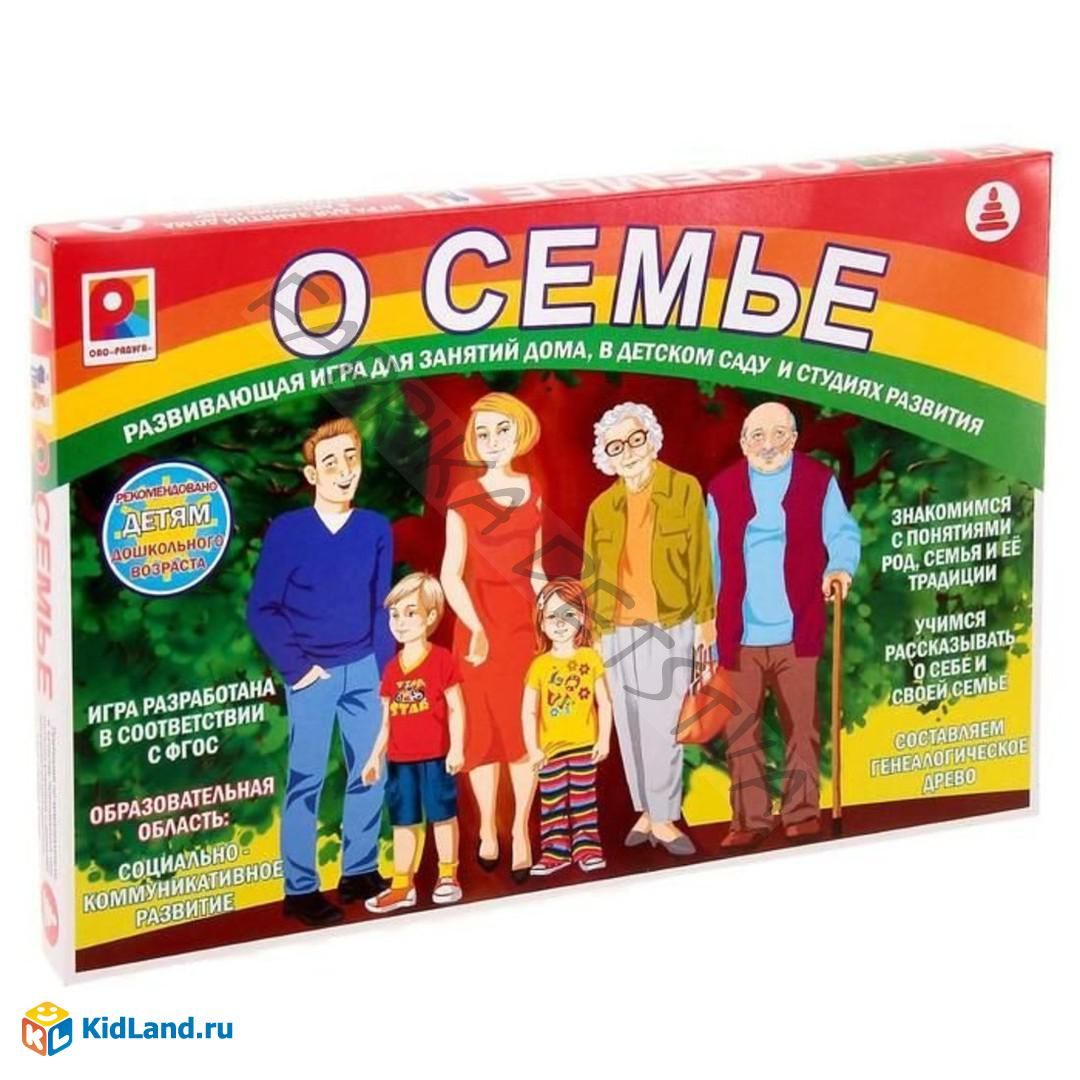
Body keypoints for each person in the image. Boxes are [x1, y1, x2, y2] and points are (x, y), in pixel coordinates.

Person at [247, 417, 393, 927]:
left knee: (370, 771)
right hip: (312, 675)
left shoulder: (375, 528)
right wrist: (299, 669)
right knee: (305, 780)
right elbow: (262, 608)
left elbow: (381, 604)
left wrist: (385, 673)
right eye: (331, 462)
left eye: (352, 458)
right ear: (311, 475)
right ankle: (301, 889)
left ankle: (360, 870)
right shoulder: (289, 531)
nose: (344, 470)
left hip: (365, 668)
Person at [706, 401, 861, 847]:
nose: (768, 444)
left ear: (793, 439)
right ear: (743, 443)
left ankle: (802, 814)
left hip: (797, 628)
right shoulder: (721, 488)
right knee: (741, 730)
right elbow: (710, 561)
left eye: (779, 434)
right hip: (739, 631)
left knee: (802, 728)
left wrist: (840, 567)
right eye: (757, 435)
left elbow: (842, 532)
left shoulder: (818, 481)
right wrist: (706, 620)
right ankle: (749, 820)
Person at [582, 402, 714, 856]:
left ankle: (665, 817)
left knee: (663, 724)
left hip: (669, 621)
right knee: (630, 722)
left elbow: (701, 561)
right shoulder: (601, 508)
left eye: (635, 439)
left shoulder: (684, 488)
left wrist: (707, 623)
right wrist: (593, 634)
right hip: (613, 628)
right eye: (616, 446)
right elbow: (590, 573)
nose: (629, 451)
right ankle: (646, 810)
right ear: (605, 457)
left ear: (652, 439)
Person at [441, 392, 546, 880]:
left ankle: (521, 828)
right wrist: (478, 627)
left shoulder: (533, 489)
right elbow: (450, 574)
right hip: (477, 630)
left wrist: (553, 615)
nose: (493, 441)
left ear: (520, 432)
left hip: (524, 628)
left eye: (502, 430)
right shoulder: (463, 497)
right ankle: (487, 825)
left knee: (524, 731)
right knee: (482, 733)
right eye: (482, 433)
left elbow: (537, 568)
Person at [362, 573, 466, 914]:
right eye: (395, 614)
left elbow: (456, 707)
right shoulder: (392, 669)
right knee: (404, 821)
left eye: (410, 613)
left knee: (442, 815)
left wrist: (457, 747)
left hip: (435, 756)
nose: (400, 622)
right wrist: (374, 758)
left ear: (431, 616)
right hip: (400, 760)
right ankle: (402, 885)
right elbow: (386, 721)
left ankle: (448, 876)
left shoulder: (441, 660)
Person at [522, 579, 613, 877]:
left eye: (568, 614)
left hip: (585, 747)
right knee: (553, 803)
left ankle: (588, 849)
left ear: (582, 618)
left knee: (584, 801)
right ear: (541, 623)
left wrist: (604, 740)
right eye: (552, 616)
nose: (560, 623)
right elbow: (529, 710)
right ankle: (555, 853)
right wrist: (533, 749)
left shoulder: (590, 658)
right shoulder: (539, 665)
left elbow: (605, 702)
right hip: (550, 751)